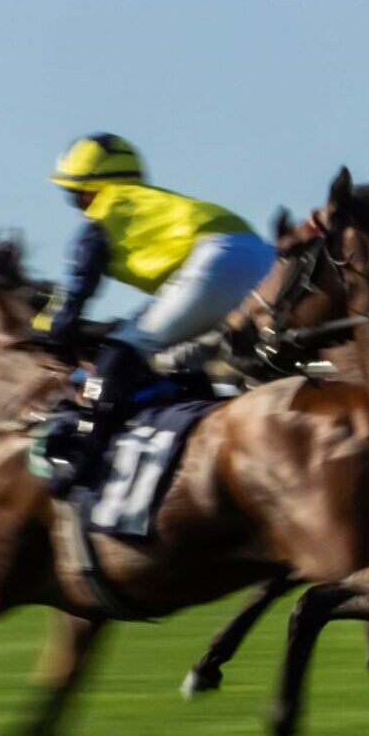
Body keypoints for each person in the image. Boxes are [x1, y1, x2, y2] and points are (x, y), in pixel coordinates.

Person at [37, 133, 274, 492]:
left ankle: (84, 456)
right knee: (178, 358)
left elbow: (80, 282)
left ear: (95, 188)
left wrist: (58, 329)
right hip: (263, 258)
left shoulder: (106, 212)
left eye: (76, 194)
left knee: (121, 349)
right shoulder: (152, 205)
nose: (78, 205)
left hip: (216, 261)